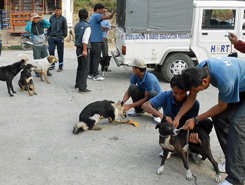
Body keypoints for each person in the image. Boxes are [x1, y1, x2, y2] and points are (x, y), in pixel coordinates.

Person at [175, 57, 245, 185]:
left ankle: (236, 179)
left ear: (205, 81)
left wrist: (195, 119)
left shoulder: (225, 81)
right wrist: (178, 117)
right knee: (220, 118)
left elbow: (221, 106)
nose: (195, 92)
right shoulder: (200, 69)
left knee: (237, 125)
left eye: (197, 89)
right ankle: (235, 162)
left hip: (237, 84)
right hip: (241, 85)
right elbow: (191, 99)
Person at [142, 75, 213, 160]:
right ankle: (170, 148)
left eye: (182, 93)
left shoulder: (194, 103)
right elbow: (145, 105)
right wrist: (162, 115)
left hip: (184, 131)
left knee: (207, 122)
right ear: (171, 89)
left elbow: (191, 125)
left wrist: (194, 137)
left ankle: (192, 146)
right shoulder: (166, 96)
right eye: (175, 92)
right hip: (171, 130)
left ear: (187, 91)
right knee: (165, 128)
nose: (178, 96)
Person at [122, 57, 162, 122]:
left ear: (137, 69)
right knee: (132, 88)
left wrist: (129, 106)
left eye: (133, 67)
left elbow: (147, 98)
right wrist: (122, 102)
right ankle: (139, 111)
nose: (132, 68)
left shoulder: (150, 79)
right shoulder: (135, 75)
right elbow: (129, 90)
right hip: (145, 97)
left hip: (155, 100)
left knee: (152, 94)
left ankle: (156, 114)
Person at [88, 3, 115, 81]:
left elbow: (95, 27)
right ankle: (96, 75)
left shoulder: (92, 16)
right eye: (101, 10)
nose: (102, 12)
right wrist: (113, 13)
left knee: (92, 58)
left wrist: (101, 28)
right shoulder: (97, 16)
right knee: (96, 58)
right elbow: (108, 17)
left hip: (92, 40)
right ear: (98, 9)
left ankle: (90, 73)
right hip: (97, 41)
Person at [25, 12, 51, 77]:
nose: (36, 20)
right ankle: (37, 72)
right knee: (36, 60)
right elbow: (27, 29)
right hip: (36, 45)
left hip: (43, 44)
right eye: (35, 18)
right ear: (32, 19)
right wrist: (30, 22)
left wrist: (43, 19)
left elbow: (48, 25)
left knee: (45, 58)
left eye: (37, 18)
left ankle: (47, 71)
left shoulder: (41, 23)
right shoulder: (31, 25)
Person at [74, 8, 91, 93]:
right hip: (83, 48)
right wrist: (85, 50)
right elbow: (85, 39)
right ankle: (82, 87)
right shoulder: (87, 26)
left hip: (78, 48)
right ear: (87, 16)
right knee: (85, 68)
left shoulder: (77, 25)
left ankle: (77, 84)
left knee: (80, 66)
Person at [47, 5, 67, 72]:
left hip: (59, 38)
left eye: (59, 10)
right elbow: (49, 27)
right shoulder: (51, 18)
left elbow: (65, 28)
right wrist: (48, 36)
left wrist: (63, 36)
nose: (57, 11)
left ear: (60, 11)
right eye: (56, 10)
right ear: (55, 10)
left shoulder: (63, 19)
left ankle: (60, 66)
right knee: (51, 52)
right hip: (52, 38)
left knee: (60, 53)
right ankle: (52, 65)